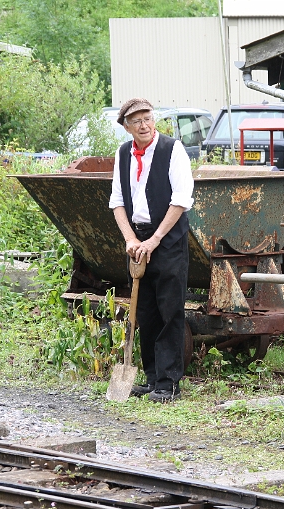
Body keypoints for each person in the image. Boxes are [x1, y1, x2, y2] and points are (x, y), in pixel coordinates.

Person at [109, 98, 193, 403]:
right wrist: (131, 240)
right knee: (144, 309)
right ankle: (151, 377)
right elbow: (117, 201)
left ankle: (169, 382)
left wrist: (154, 240)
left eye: (147, 118)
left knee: (169, 308)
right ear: (127, 127)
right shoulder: (123, 154)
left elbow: (181, 200)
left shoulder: (173, 150)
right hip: (138, 239)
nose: (144, 125)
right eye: (137, 121)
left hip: (167, 238)